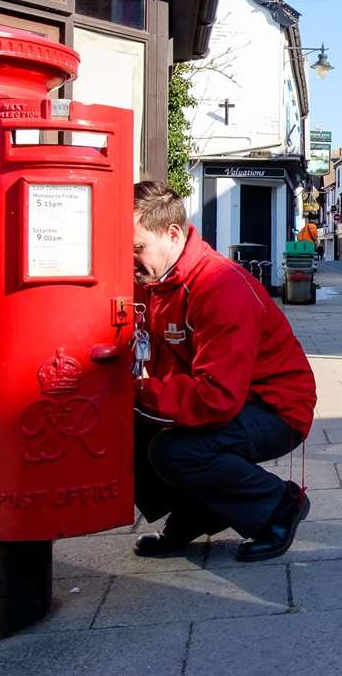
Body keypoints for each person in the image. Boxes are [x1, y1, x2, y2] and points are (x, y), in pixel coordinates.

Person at [130, 180, 317, 563]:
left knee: (174, 451)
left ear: (172, 233)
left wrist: (138, 394)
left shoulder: (219, 286)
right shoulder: (154, 279)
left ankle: (279, 504)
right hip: (234, 397)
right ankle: (197, 512)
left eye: (137, 248)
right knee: (127, 428)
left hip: (275, 408)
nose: (128, 258)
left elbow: (217, 398)